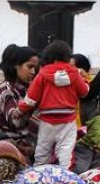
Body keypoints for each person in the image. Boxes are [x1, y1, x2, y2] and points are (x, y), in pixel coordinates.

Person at [19, 40, 89, 169]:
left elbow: (31, 99)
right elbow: (84, 92)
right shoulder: (74, 73)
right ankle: (66, 179)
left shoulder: (43, 74)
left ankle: (40, 176)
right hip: (68, 121)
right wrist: (86, 83)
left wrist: (21, 108)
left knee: (42, 151)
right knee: (65, 152)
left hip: (47, 121)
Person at [0, 44, 40, 160]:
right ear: (16, 66)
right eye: (29, 67)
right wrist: (31, 102)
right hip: (12, 141)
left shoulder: (26, 88)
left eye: (35, 68)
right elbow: (15, 122)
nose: (33, 72)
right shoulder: (6, 90)